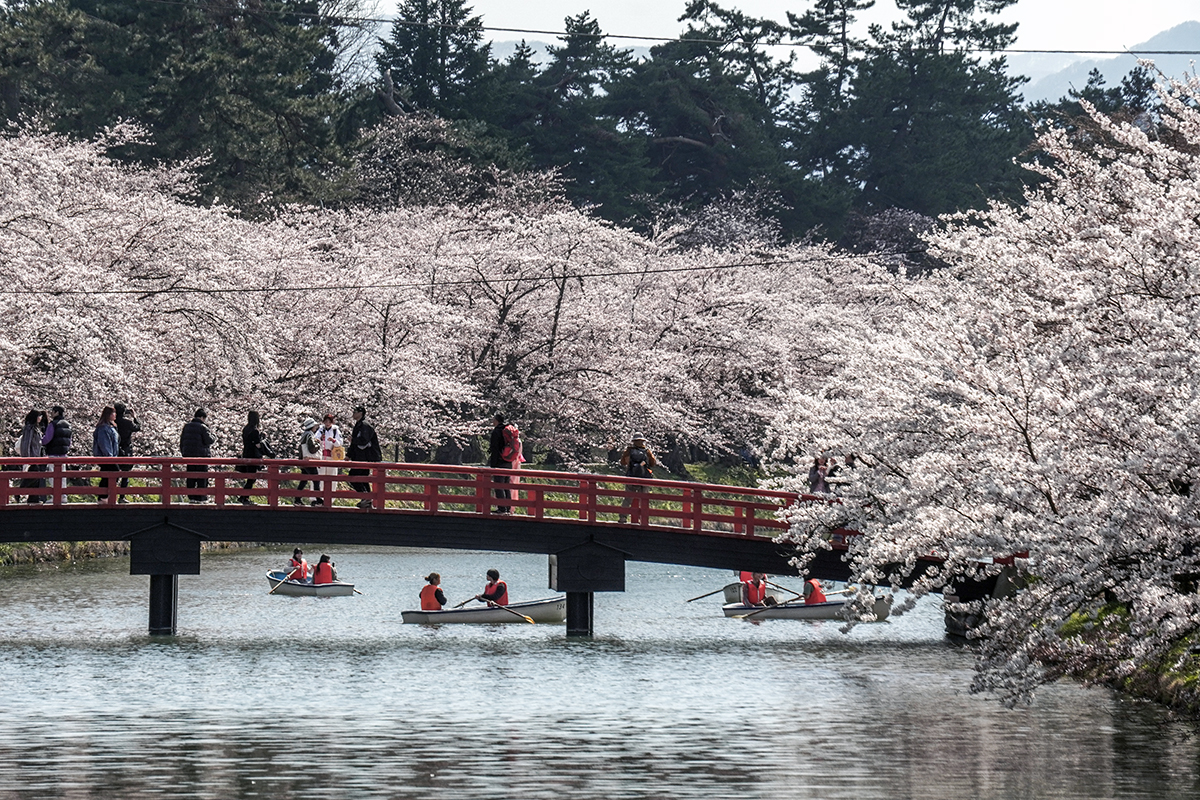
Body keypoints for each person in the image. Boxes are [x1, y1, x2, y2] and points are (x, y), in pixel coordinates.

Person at [346, 405, 382, 508]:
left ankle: (365, 497)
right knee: (363, 478)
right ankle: (367, 499)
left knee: (353, 476)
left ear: (360, 413)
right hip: (360, 457)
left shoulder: (365, 425)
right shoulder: (358, 425)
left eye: (355, 411)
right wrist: (349, 455)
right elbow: (354, 444)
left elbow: (364, 440)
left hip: (365, 457)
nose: (353, 413)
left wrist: (353, 441)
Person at [488, 413, 524, 513]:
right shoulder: (507, 431)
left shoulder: (497, 432)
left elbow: (495, 449)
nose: (492, 421)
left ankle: (501, 508)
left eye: (493, 419)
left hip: (499, 462)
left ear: (497, 420)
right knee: (506, 485)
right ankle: (508, 508)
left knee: (499, 485)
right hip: (508, 461)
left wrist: (493, 465)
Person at [619, 433, 657, 524]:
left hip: (631, 478)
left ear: (634, 441)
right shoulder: (647, 451)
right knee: (644, 499)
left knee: (628, 499)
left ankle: (623, 518)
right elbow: (653, 463)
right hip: (644, 479)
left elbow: (623, 462)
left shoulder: (629, 451)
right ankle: (643, 519)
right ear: (643, 441)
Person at [237, 410, 274, 505]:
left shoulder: (245, 429)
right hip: (253, 456)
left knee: (251, 477)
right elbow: (258, 445)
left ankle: (244, 497)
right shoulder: (255, 430)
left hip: (246, 454)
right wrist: (266, 450)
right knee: (252, 478)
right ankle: (244, 497)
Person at [179, 408, 214, 503]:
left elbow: (182, 442)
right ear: (202, 417)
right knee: (202, 478)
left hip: (189, 457)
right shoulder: (203, 427)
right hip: (201, 457)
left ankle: (191, 497)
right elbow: (210, 440)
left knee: (191, 477)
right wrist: (212, 433)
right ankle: (201, 497)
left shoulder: (186, 426)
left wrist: (184, 453)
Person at [42, 406, 72, 503]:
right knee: (62, 475)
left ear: (56, 412)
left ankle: (55, 495)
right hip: (63, 453)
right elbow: (69, 440)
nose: (51, 413)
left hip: (53, 453)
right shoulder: (68, 424)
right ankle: (63, 496)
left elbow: (47, 439)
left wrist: (40, 442)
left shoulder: (53, 424)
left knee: (53, 475)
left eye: (53, 412)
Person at [17, 409, 46, 504]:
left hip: (36, 456)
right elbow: (26, 443)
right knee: (33, 476)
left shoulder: (36, 428)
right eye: (39, 416)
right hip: (32, 456)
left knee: (35, 477)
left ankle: (33, 498)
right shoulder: (29, 428)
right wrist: (27, 458)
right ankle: (19, 492)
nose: (40, 418)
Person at [92, 406, 119, 503]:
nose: (115, 415)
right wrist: (109, 456)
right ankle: (104, 496)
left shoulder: (111, 426)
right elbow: (104, 444)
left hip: (111, 456)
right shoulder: (103, 428)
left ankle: (104, 496)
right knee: (114, 472)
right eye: (113, 413)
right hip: (106, 456)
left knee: (106, 475)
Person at [114, 403, 140, 503]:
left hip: (115, 450)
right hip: (126, 449)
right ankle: (122, 497)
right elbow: (138, 427)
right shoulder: (127, 422)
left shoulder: (112, 422)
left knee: (114, 474)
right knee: (125, 474)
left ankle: (111, 496)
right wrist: (135, 417)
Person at [315, 413, 343, 502]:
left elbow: (340, 443)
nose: (327, 423)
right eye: (326, 421)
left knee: (332, 477)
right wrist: (320, 438)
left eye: (329, 421)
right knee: (320, 476)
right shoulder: (321, 429)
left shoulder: (336, 430)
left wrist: (333, 440)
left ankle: (330, 498)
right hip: (322, 455)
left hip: (332, 455)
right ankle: (318, 497)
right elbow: (315, 438)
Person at [294, 418, 321, 505]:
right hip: (309, 461)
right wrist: (318, 444)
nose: (316, 428)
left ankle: (297, 499)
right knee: (316, 480)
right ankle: (318, 499)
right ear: (312, 427)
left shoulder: (304, 435)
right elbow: (312, 448)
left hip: (303, 460)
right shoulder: (309, 435)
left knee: (304, 480)